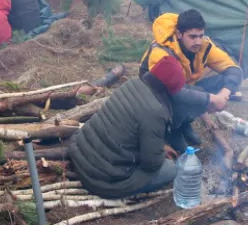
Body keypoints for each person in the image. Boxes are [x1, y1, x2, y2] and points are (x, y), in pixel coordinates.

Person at [69, 57, 186, 199]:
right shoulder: (156, 111)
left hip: (80, 152)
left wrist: (159, 146)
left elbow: (128, 129)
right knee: (170, 169)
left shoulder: (132, 84)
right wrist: (160, 153)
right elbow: (151, 163)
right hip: (100, 179)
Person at [140, 10, 242, 151]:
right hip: (156, 95)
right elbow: (173, 91)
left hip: (184, 87)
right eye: (193, 37)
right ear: (179, 34)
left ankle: (185, 122)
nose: (198, 42)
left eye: (201, 36)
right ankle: (173, 129)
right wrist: (210, 99)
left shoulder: (204, 47)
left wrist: (223, 94)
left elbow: (233, 69)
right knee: (198, 94)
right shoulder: (162, 52)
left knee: (220, 82)